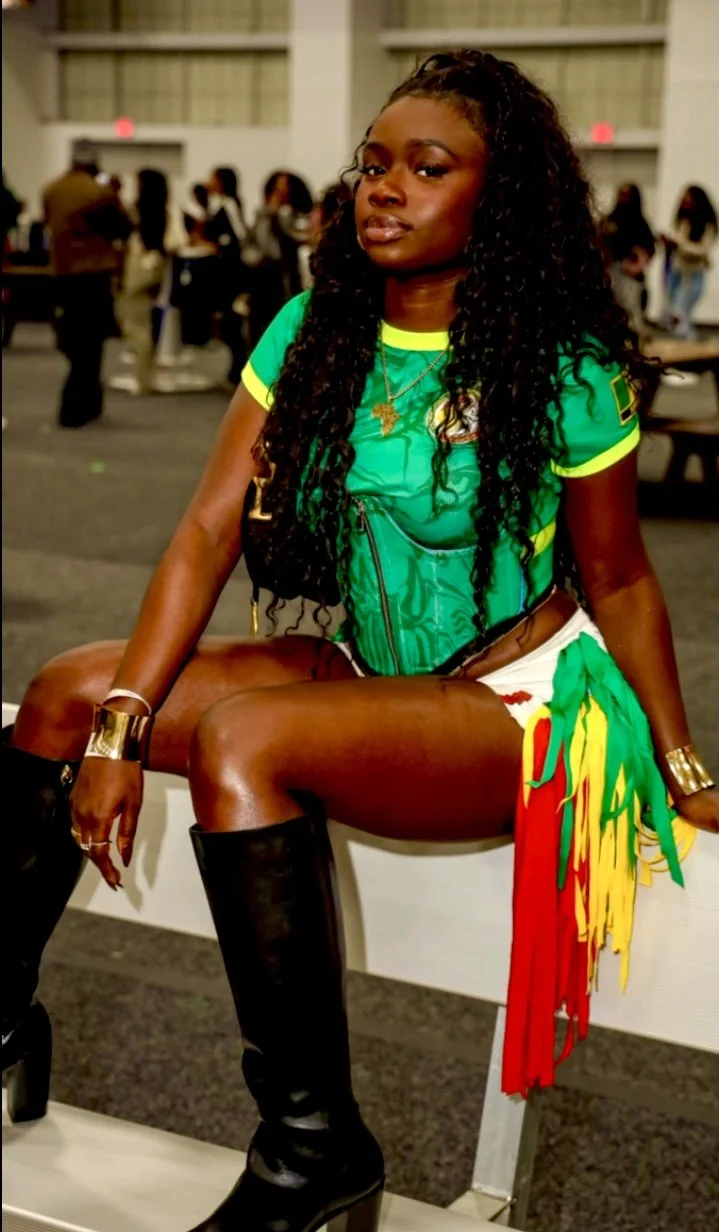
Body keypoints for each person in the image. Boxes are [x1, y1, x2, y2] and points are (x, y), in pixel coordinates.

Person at [3, 49, 717, 1231]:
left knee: (246, 740)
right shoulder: (311, 325)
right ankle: (2, 1017)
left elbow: (623, 577)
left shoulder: (563, 362)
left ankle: (309, 1150)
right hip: (364, 668)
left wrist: (682, 762)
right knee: (65, 691)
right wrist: (123, 721)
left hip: (515, 700)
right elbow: (200, 532)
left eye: (425, 168)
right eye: (370, 164)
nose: (381, 188)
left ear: (500, 197)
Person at [42, 140, 131, 427]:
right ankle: (80, 405)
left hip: (62, 275)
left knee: (72, 341)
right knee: (92, 345)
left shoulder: (51, 190)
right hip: (93, 276)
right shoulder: (98, 193)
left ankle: (85, 402)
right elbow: (123, 227)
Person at [116, 169, 185, 396]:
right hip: (157, 268)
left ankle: (143, 378)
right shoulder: (165, 211)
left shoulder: (138, 210)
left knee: (135, 323)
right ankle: (146, 374)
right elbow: (177, 241)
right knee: (145, 321)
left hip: (139, 267)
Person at [249, 170, 314, 344]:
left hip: (292, 274)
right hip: (267, 277)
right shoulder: (264, 215)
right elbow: (264, 245)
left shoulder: (299, 215)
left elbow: (300, 236)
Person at [205, 166, 250, 387]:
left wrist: (222, 247)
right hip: (222, 271)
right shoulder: (218, 205)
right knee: (226, 321)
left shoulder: (230, 205)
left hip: (231, 273)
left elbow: (241, 235)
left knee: (232, 320)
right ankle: (235, 368)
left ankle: (240, 369)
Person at [661, 185, 718, 339]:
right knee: (671, 312)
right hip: (676, 269)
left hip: (693, 273)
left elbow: (703, 250)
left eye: (689, 199)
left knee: (680, 311)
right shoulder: (682, 220)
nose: (685, 202)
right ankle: (680, 342)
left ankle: (687, 345)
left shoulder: (707, 224)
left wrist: (680, 244)